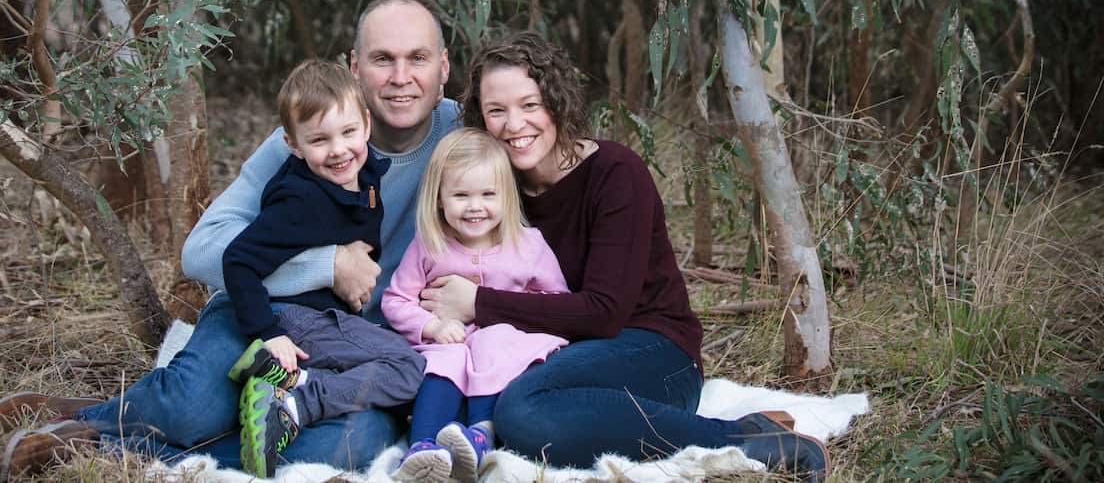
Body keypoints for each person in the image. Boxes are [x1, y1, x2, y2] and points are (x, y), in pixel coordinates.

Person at [0, 0, 459, 478]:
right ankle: (94, 415)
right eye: (383, 59)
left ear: (444, 66)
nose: (401, 77)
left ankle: (108, 444)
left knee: (353, 445)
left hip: (355, 349)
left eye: (418, 58)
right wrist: (328, 265)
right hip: (267, 312)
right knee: (192, 408)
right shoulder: (313, 134)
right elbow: (201, 251)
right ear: (356, 68)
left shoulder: (465, 136)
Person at [419, 32, 830, 482]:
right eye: (497, 110)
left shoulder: (615, 174)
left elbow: (604, 312)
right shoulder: (492, 191)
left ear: (556, 101)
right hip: (561, 359)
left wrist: (478, 303)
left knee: (522, 411)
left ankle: (748, 439)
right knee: (481, 404)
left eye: (530, 104)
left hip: (654, 353)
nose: (514, 125)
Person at [219, 59, 425, 478]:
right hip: (300, 318)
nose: (338, 150)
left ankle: (284, 383)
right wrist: (268, 334)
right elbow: (237, 260)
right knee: (409, 369)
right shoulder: (300, 201)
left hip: (327, 317)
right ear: (293, 145)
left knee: (394, 387)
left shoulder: (365, 174)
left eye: (348, 132)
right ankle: (294, 400)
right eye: (319, 139)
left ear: (366, 124)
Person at [381, 129, 569, 483]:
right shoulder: (430, 245)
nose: (475, 206)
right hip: (448, 341)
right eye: (461, 195)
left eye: (487, 194)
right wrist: (432, 326)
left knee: (490, 340)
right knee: (447, 356)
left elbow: (558, 302)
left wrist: (509, 315)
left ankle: (481, 435)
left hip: (508, 347)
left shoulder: (527, 244)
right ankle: (422, 447)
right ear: (439, 198)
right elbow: (396, 299)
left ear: (506, 196)